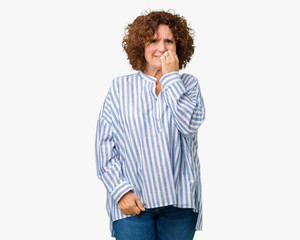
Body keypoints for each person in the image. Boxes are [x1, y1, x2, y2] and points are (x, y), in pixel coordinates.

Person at [95, 10, 205, 240]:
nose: (162, 47)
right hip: (133, 203)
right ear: (140, 46)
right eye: (153, 40)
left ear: (179, 46)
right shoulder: (119, 88)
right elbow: (104, 147)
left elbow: (189, 124)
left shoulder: (189, 84)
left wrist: (171, 77)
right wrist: (120, 191)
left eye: (169, 41)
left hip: (180, 202)